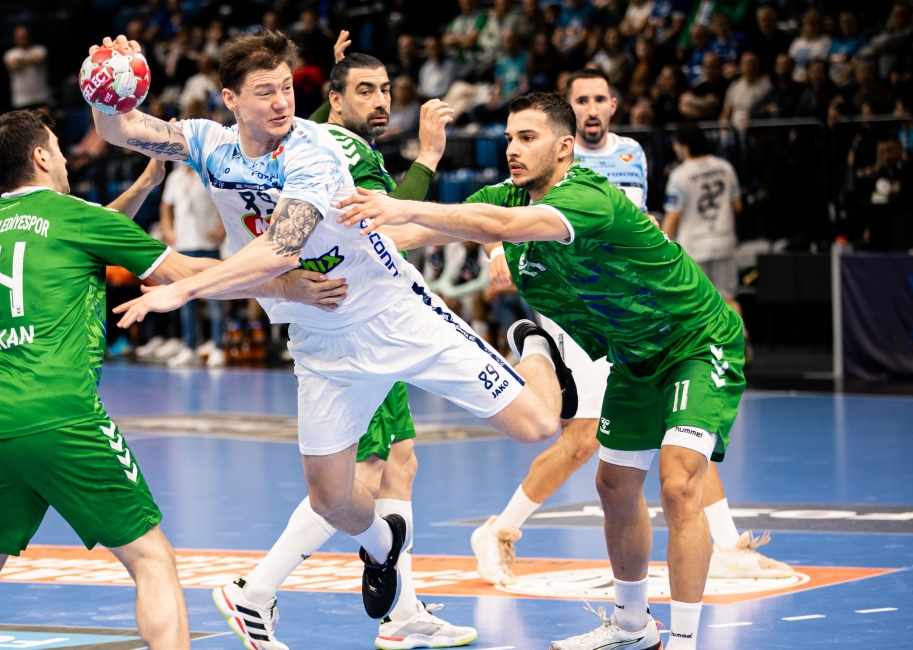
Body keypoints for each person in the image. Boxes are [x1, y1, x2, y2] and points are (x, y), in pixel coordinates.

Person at [95, 30, 572, 628]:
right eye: (264, 92)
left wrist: (187, 287)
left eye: (286, 87)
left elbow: (280, 247)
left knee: (537, 426)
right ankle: (384, 545)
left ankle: (536, 344)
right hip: (319, 338)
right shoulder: (208, 143)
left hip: (393, 314)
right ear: (230, 99)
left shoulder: (314, 151)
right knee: (331, 497)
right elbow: (120, 129)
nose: (281, 102)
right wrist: (104, 85)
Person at [0, 109, 342, 650]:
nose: (64, 156)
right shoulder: (72, 217)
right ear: (41, 157)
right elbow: (178, 272)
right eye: (57, 146)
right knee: (152, 558)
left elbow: (83, 230)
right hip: (59, 413)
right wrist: (286, 284)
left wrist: (145, 185)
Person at [337, 91, 750, 650]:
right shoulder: (506, 195)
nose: (512, 148)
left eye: (527, 138)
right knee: (614, 485)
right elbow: (421, 233)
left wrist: (405, 207)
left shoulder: (586, 196)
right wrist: (327, 250)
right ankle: (633, 626)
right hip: (634, 355)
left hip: (696, 340)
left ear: (564, 148)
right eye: (509, 138)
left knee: (678, 484)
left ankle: (683, 641)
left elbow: (502, 224)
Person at [220, 45, 474, 650]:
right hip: (359, 330)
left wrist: (331, 84)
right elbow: (389, 228)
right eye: (364, 90)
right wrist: (429, 157)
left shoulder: (318, 139)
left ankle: (402, 613)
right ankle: (255, 590)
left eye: (385, 89)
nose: (381, 101)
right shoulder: (347, 149)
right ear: (333, 100)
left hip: (364, 321)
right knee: (358, 475)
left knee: (399, 461)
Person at [664, 124, 742, 315]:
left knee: (696, 303)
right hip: (724, 240)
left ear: (684, 146)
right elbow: (737, 206)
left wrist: (662, 247)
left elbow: (673, 217)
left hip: (693, 247)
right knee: (728, 298)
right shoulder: (725, 167)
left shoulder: (679, 175)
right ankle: (739, 333)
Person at [159, 158, 225, 367]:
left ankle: (218, 346)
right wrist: (167, 229)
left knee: (215, 299)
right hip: (183, 246)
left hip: (207, 244)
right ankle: (190, 347)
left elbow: (227, 200)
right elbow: (165, 205)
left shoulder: (208, 174)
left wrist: (223, 228)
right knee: (185, 301)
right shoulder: (174, 177)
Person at [720, 51, 770, 131]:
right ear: (741, 66)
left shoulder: (766, 87)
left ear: (758, 66)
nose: (750, 68)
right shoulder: (734, 87)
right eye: (747, 64)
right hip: (734, 131)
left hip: (756, 132)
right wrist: (723, 131)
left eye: (753, 64)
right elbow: (726, 113)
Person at [3, 25, 51, 109]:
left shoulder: (39, 49)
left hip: (41, 96)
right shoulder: (10, 54)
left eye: (24, 37)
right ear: (15, 39)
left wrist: (20, 61)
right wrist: (30, 60)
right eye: (19, 37)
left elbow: (39, 59)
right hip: (21, 99)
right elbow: (12, 65)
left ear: (29, 36)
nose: (22, 39)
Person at [788, 8, 831, 83]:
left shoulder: (825, 41)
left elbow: (820, 66)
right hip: (792, 81)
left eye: (814, 23)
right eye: (808, 22)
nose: (811, 26)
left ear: (820, 24)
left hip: (811, 81)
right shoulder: (797, 42)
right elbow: (789, 62)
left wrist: (808, 76)